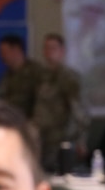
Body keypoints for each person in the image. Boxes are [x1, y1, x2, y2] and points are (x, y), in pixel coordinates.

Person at [33, 32, 88, 172]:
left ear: (62, 51)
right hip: (41, 139)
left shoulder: (68, 77)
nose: (49, 52)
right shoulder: (40, 76)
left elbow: (79, 111)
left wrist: (80, 140)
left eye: (53, 48)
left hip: (60, 138)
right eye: (46, 48)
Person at [0, 33, 44, 119]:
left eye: (4, 52)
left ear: (16, 50)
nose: (2, 56)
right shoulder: (7, 76)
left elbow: (43, 103)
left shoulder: (37, 72)